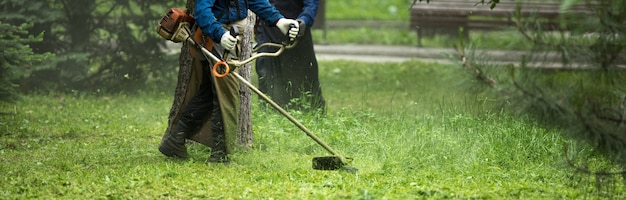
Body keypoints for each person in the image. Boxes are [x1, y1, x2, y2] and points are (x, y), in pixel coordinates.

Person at [159, 0, 300, 162]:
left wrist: (279, 21)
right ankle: (220, 154)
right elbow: (202, 11)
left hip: (227, 39)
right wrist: (220, 34)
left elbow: (255, 1)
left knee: (207, 95)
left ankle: (175, 140)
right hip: (217, 38)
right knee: (226, 96)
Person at [255, 0, 325, 112]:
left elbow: (311, 3)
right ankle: (270, 116)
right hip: (268, 31)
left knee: (304, 86)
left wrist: (303, 21)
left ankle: (308, 114)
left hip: (298, 32)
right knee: (268, 80)